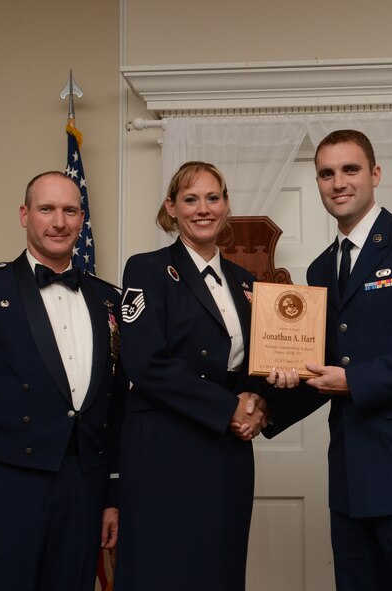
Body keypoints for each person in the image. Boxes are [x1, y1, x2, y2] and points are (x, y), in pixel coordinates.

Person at [266, 130, 392, 590]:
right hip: (350, 481)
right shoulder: (321, 268)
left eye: (350, 169)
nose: (338, 182)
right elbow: (325, 365)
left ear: (375, 174)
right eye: (326, 173)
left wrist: (355, 381)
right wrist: (265, 401)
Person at [0, 171, 126, 590]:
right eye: (46, 209)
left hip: (83, 490)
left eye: (70, 210)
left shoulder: (108, 298)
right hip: (6, 491)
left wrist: (112, 495)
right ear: (24, 215)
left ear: (82, 218)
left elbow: (115, 407)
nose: (59, 222)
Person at [114, 161, 269, 591]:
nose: (204, 209)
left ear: (226, 205)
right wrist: (228, 407)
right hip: (165, 446)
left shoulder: (245, 282)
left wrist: (257, 401)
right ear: (172, 208)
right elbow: (144, 362)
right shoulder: (146, 269)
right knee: (163, 568)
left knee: (219, 568)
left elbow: (255, 363)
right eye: (191, 199)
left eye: (213, 198)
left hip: (227, 447)